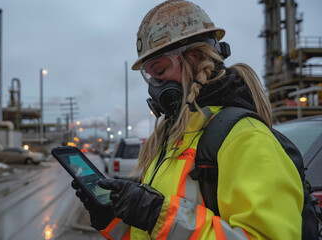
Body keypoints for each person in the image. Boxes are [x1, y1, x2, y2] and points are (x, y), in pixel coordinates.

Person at [71, 0, 304, 239]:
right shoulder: (173, 139)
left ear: (196, 57)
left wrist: (156, 214)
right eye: (149, 77)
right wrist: (112, 220)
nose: (155, 88)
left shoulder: (246, 138)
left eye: (160, 71)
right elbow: (153, 234)